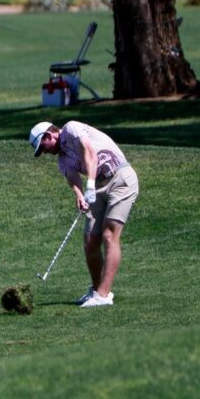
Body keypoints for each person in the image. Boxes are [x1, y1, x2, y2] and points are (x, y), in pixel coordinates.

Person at [29, 120, 140, 308]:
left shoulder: (72, 129)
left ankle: (104, 295)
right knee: (90, 242)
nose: (44, 152)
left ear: (49, 135)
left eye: (43, 147)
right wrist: (80, 195)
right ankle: (96, 290)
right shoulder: (62, 158)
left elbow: (89, 152)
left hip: (120, 179)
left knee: (109, 234)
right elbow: (72, 176)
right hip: (97, 187)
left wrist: (89, 183)